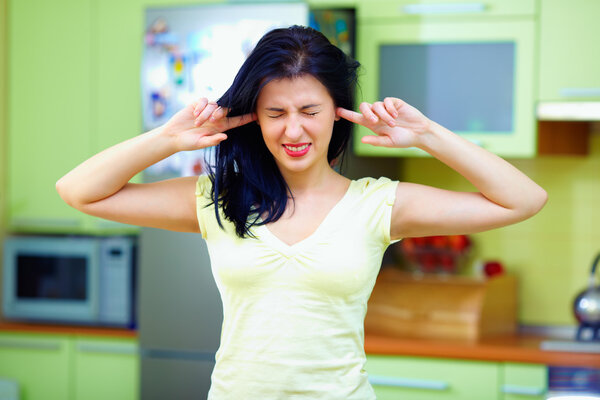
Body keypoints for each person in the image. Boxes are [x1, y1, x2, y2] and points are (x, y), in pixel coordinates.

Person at [56, 25, 547, 399]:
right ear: (254, 117)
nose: (294, 131)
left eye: (309, 111)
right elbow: (80, 191)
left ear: (338, 112)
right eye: (276, 113)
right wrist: (167, 137)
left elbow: (523, 199)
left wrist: (427, 137)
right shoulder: (218, 199)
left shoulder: (379, 204)